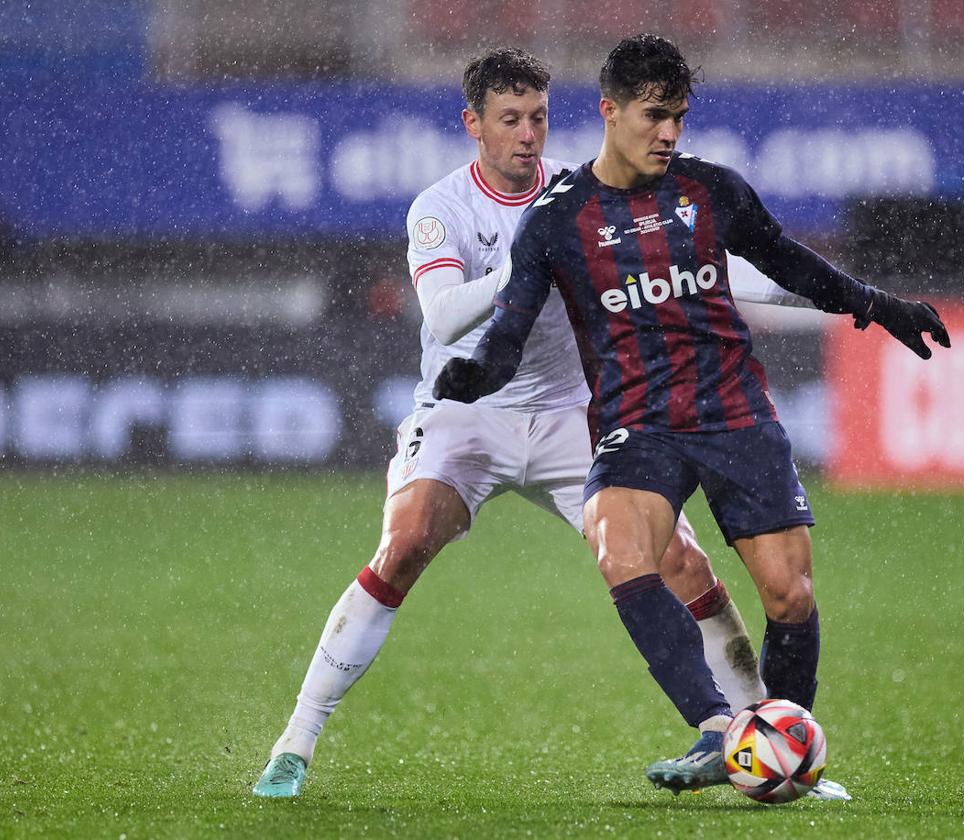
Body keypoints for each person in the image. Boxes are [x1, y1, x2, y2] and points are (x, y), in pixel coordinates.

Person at [253, 47, 782, 799]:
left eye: (537, 117)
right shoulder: (441, 210)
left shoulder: (584, 192)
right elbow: (441, 314)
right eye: (509, 120)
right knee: (402, 546)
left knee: (685, 566)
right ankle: (296, 741)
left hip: (574, 415)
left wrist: (840, 299)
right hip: (468, 413)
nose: (527, 135)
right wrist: (532, 257)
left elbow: (720, 269)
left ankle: (764, 734)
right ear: (473, 124)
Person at [433, 34, 950, 795]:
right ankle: (718, 730)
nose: (669, 133)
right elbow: (509, 330)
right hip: (637, 422)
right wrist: (476, 373)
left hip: (733, 410)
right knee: (621, 551)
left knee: (790, 594)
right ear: (610, 112)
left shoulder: (713, 191)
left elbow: (790, 262)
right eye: (653, 116)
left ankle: (781, 751)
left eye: (678, 116)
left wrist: (877, 306)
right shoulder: (558, 218)